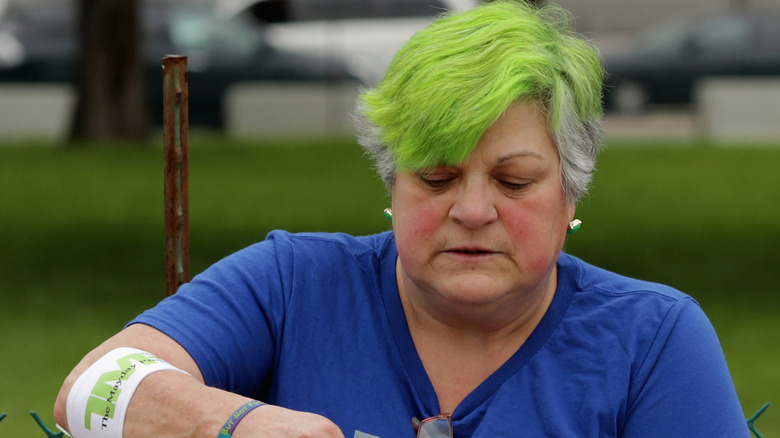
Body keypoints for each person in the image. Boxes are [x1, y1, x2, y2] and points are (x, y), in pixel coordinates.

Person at [54, 1, 749, 437]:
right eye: (437, 177)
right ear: (393, 185)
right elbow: (88, 390)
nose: (473, 211)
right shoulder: (292, 284)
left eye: (514, 181)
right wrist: (235, 423)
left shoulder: (652, 340)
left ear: (571, 196)